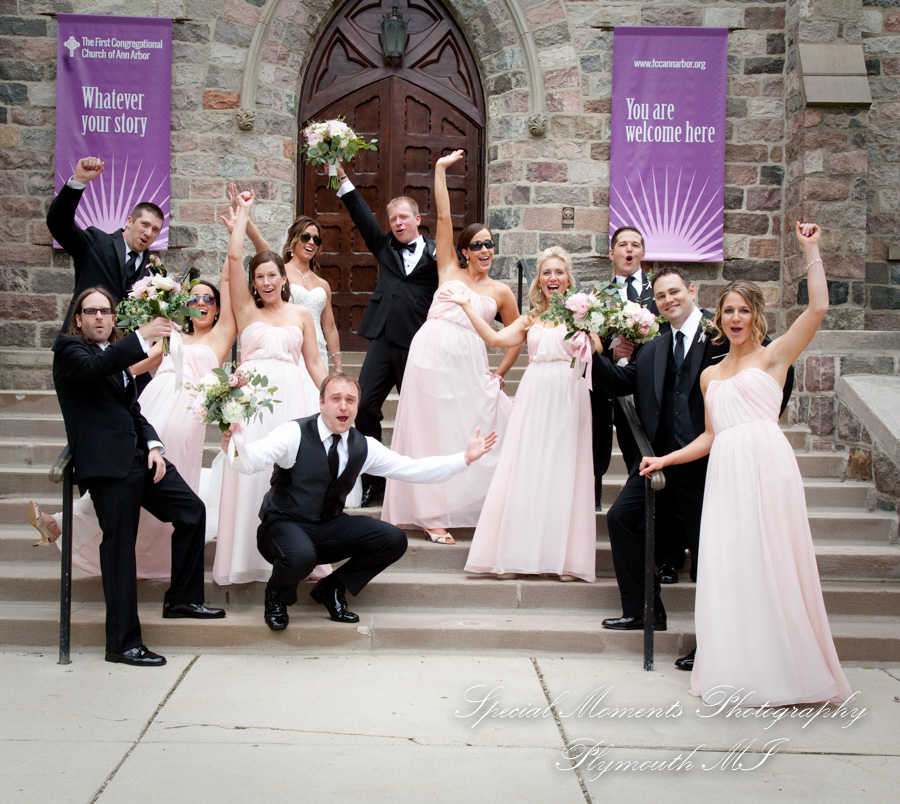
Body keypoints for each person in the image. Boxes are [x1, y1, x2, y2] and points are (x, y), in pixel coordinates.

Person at [639, 223, 851, 706]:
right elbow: (710, 436)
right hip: (726, 473)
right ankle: (738, 664)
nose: (735, 317)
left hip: (766, 466)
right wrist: (665, 458)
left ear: (756, 315)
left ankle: (787, 667)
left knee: (771, 561)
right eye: (728, 310)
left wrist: (811, 248)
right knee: (730, 565)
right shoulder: (712, 373)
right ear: (720, 317)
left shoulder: (776, 356)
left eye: (743, 310)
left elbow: (818, 308)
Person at [221, 372, 497, 630]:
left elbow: (412, 468)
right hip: (283, 526)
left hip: (327, 526)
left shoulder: (363, 446)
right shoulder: (293, 433)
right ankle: (276, 596)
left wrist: (464, 458)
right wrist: (235, 448)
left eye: (350, 400)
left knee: (392, 539)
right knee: (301, 556)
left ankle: (332, 588)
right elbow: (254, 459)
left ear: (357, 406)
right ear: (321, 402)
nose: (343, 406)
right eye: (336, 399)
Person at [52, 287, 224, 667]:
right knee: (119, 549)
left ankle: (183, 598)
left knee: (192, 511)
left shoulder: (114, 359)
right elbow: (96, 369)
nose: (99, 317)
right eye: (91, 311)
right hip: (107, 467)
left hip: (140, 459)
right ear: (78, 319)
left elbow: (133, 410)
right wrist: (143, 335)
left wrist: (153, 445)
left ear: (113, 318)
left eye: (105, 311)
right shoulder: (70, 352)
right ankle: (122, 642)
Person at [29, 272, 238, 578]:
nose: (201, 302)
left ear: (218, 308)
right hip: (153, 406)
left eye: (208, 298)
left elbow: (232, 284)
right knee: (124, 479)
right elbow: (132, 366)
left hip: (185, 415)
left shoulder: (221, 336)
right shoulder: (172, 334)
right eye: (194, 297)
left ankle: (144, 549)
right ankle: (61, 522)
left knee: (164, 489)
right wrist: (106, 379)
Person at [381, 150, 519, 544]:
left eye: (489, 244)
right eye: (477, 245)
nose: (485, 251)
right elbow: (443, 219)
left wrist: (500, 372)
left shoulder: (501, 291)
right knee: (428, 435)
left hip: (470, 366)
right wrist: (440, 171)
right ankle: (430, 514)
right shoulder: (448, 269)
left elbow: (516, 335)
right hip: (429, 357)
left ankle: (478, 504)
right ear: (464, 251)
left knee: (468, 432)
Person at [443, 247, 598, 581]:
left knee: (563, 470)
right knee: (527, 467)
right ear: (539, 281)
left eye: (558, 272)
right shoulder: (530, 320)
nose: (552, 278)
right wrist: (468, 307)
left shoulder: (583, 315)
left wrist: (594, 324)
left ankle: (565, 559)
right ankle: (514, 556)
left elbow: (597, 348)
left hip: (569, 397)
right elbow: (496, 338)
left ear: (568, 279)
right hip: (535, 393)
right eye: (546, 273)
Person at [593, 265, 729, 635]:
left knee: (707, 549)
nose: (668, 300)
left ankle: (714, 638)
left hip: (706, 461)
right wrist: (593, 352)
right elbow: (621, 382)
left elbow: (772, 365)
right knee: (621, 518)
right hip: (659, 461)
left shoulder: (721, 337)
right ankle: (644, 610)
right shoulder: (653, 347)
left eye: (675, 292)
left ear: (692, 290)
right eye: (661, 296)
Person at [213, 191, 328, 586]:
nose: (265, 282)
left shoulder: (299, 313)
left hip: (294, 398)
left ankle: (299, 553)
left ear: (283, 279)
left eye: (271, 275)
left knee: (294, 474)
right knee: (251, 473)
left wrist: (330, 394)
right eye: (259, 276)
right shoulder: (247, 310)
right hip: (253, 401)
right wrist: (243, 216)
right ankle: (248, 558)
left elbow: (313, 361)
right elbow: (231, 262)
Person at [334, 163, 439, 506]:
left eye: (403, 217)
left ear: (417, 219)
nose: (397, 223)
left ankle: (420, 485)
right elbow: (361, 214)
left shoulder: (439, 254)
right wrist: (342, 176)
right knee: (363, 407)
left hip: (417, 344)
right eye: (393, 219)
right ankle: (373, 481)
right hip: (382, 340)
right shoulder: (384, 248)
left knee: (420, 414)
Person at [47, 156, 164, 333]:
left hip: (127, 354)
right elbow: (59, 224)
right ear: (130, 221)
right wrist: (79, 181)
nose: (148, 233)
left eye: (155, 230)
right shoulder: (96, 242)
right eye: (145, 225)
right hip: (82, 343)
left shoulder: (155, 271)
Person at [591, 227, 657, 511]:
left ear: (643, 252)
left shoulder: (659, 291)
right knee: (597, 452)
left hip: (643, 388)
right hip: (607, 390)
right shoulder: (598, 296)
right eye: (622, 245)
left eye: (635, 245)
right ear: (611, 253)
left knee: (639, 453)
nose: (628, 250)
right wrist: (610, 350)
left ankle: (643, 512)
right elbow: (590, 341)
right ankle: (592, 506)